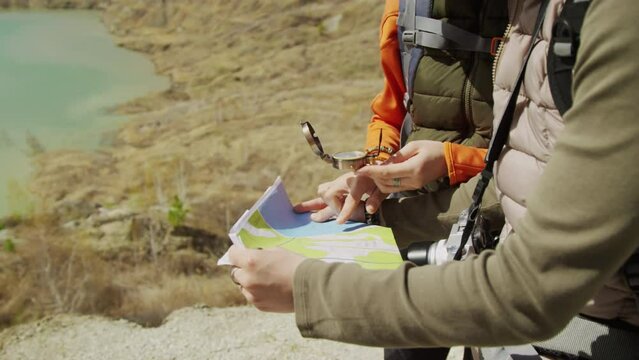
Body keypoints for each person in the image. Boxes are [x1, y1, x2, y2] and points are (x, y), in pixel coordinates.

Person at [228, 0, 639, 358]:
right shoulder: (531, 13)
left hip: (588, 326)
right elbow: (525, 170)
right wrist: (379, 190)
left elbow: (529, 289)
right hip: (506, 302)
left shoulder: (606, 22)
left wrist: (311, 290)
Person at [295, 0, 507, 252]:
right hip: (407, 216)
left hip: (500, 228)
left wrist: (453, 161)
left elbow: (543, 157)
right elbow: (390, 113)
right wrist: (376, 167)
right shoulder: (406, 6)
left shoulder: (535, 14)